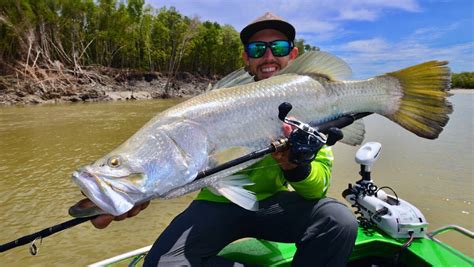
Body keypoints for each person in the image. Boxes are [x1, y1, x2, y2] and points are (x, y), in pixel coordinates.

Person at [85, 12, 358, 266]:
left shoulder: (313, 106)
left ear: (294, 54)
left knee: (339, 221)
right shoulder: (211, 103)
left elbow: (316, 190)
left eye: (279, 47)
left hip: (275, 205)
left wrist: (297, 166)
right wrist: (128, 192)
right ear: (246, 58)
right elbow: (171, 163)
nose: (268, 56)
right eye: (257, 49)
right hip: (218, 201)